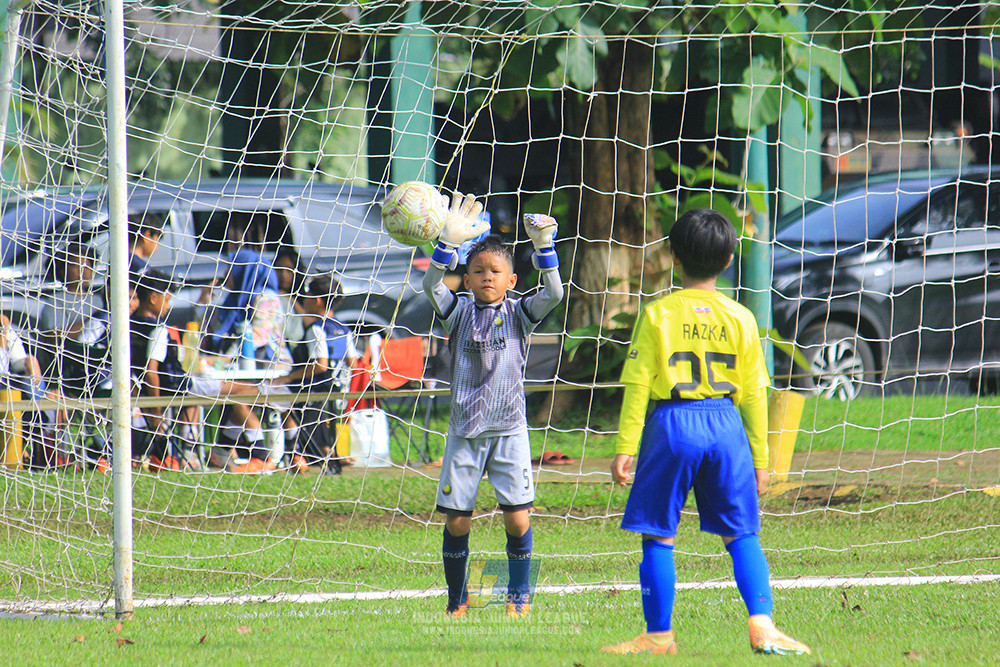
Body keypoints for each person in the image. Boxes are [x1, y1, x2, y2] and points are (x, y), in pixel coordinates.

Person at [601, 209, 810, 656]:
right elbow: (754, 395)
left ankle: (658, 635)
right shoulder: (741, 318)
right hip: (726, 426)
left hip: (672, 425)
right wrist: (761, 461)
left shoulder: (657, 314)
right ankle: (763, 624)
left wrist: (625, 447)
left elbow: (638, 386)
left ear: (674, 257)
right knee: (742, 533)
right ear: (730, 259)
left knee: (659, 535)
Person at [422, 193, 563, 618]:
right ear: (466, 280)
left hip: (509, 430)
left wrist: (544, 247)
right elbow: (431, 285)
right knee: (457, 521)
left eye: (495, 271)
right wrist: (447, 243)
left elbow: (554, 293)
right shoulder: (457, 313)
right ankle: (457, 598)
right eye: (479, 271)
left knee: (517, 520)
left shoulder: (520, 313)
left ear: (511, 280)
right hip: (465, 431)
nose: (487, 277)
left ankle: (517, 595)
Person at [130, 269, 272, 473]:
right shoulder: (158, 329)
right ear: (153, 298)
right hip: (180, 387)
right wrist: (156, 409)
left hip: (157, 389)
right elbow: (151, 372)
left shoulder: (129, 325)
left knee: (238, 395)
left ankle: (216, 450)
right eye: (167, 300)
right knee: (251, 390)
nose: (168, 306)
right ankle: (259, 455)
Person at [268, 273, 358, 473]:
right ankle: (315, 452)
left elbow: (320, 365)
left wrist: (289, 377)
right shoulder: (343, 328)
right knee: (291, 403)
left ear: (316, 301)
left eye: (306, 296)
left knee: (273, 395)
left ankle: (292, 453)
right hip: (337, 390)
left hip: (316, 388)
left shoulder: (317, 329)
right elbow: (352, 362)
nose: (304, 300)